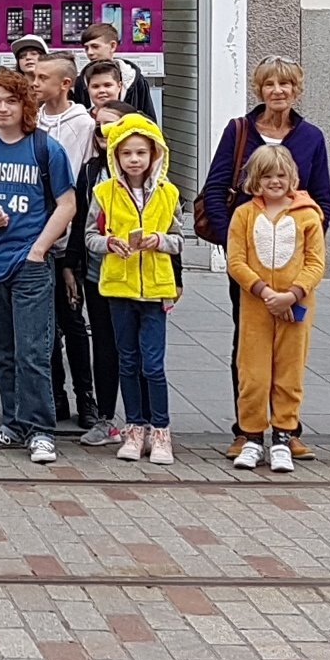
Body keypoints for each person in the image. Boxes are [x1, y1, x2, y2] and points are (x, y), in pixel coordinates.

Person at [200, 55, 330, 461]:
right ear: (259, 89)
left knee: (291, 350)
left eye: (286, 84)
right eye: (270, 84)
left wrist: (304, 251)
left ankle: (287, 431)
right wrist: (233, 243)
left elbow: (322, 198)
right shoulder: (239, 131)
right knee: (250, 346)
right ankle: (247, 430)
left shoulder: (311, 137)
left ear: (297, 89)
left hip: (294, 269)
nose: (278, 91)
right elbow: (217, 187)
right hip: (249, 264)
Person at [0, 68, 78, 465]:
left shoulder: (45, 148)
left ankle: (41, 430)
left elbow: (67, 204)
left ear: (25, 105)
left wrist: (39, 250)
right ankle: (13, 424)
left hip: (29, 263)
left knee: (33, 352)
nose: (2, 108)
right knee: (2, 350)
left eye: (11, 101)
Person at [86, 113, 183, 465]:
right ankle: (134, 427)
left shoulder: (169, 193)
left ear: (155, 154)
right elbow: (89, 237)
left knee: (152, 365)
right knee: (127, 361)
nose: (134, 160)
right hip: (119, 288)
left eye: (141, 152)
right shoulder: (103, 192)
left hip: (156, 290)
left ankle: (161, 431)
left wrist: (160, 240)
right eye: (126, 153)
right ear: (115, 156)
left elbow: (179, 239)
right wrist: (110, 244)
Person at [226, 147, 325, 472]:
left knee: (289, 373)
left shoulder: (308, 215)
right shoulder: (244, 215)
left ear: (291, 177)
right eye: (267, 175)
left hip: (296, 309)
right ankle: (252, 436)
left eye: (281, 175)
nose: (274, 182)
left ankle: (283, 435)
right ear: (255, 179)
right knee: (253, 374)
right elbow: (236, 261)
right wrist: (265, 291)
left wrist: (292, 294)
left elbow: (315, 263)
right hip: (255, 307)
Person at [29, 51, 98, 430]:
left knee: (72, 320)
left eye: (42, 78)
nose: (35, 83)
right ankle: (55, 394)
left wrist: (73, 254)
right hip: (37, 232)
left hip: (69, 239)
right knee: (45, 325)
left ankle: (84, 395)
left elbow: (83, 189)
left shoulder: (83, 126)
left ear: (65, 84)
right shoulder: (32, 121)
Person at [66, 99, 127, 447]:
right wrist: (70, 265)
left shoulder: (146, 168)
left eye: (112, 124)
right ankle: (106, 417)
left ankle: (144, 420)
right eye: (99, 125)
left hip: (139, 277)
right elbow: (80, 219)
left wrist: (175, 277)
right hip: (96, 272)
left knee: (135, 349)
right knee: (103, 345)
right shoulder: (90, 171)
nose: (103, 131)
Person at [72, 23, 155, 118]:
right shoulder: (81, 81)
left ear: (112, 46)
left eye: (95, 47)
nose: (89, 53)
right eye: (86, 48)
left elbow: (149, 118)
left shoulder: (135, 79)